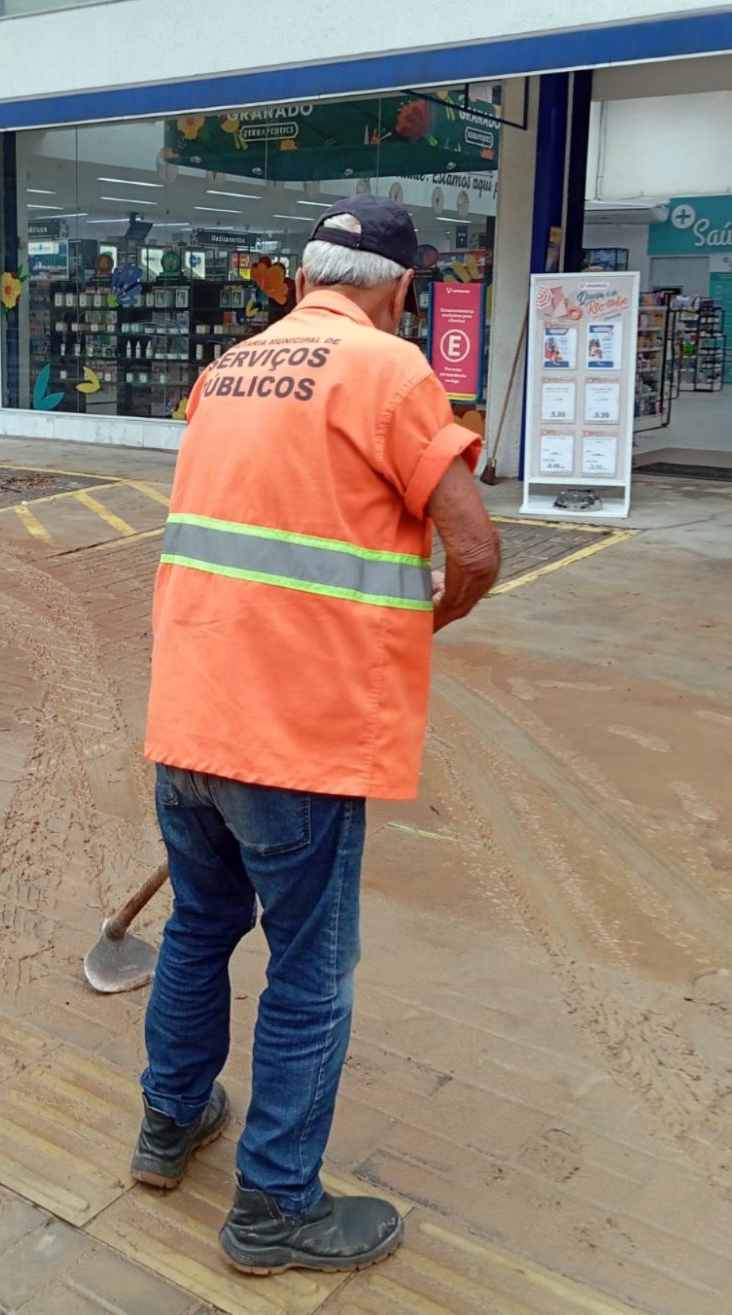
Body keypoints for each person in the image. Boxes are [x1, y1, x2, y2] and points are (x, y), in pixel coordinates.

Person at [132, 195, 500, 1276]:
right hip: (296, 740)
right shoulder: (387, 370)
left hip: (189, 720)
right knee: (308, 970)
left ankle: (169, 1125)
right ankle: (275, 1205)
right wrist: (408, 625)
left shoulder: (226, 371)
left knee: (201, 930)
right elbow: (474, 551)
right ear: (395, 292)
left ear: (301, 281)